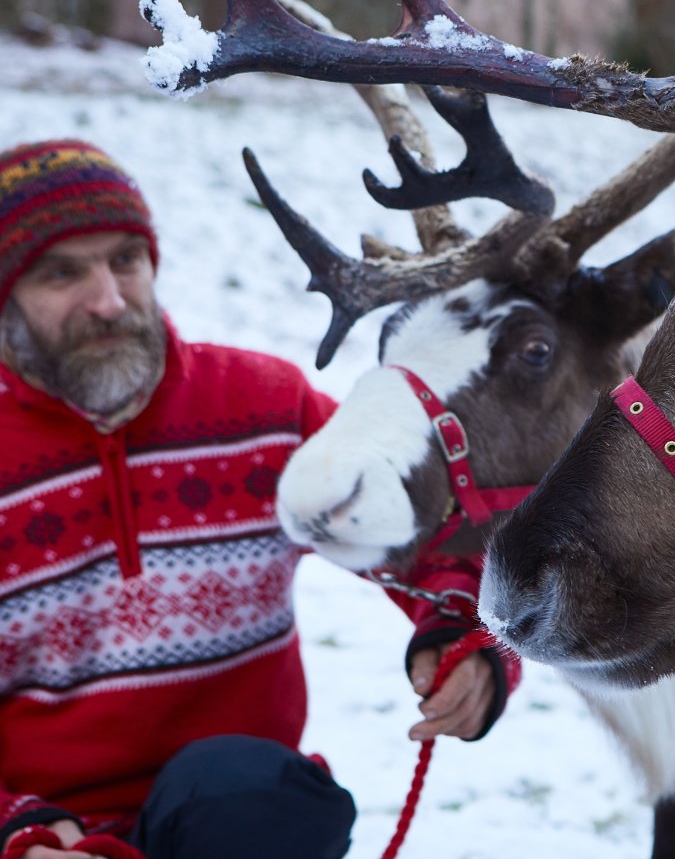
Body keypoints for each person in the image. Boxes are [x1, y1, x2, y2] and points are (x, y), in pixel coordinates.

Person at [0, 140, 518, 859]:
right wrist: (19, 832)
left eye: (126, 259)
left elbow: (427, 533)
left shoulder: (262, 410)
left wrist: (464, 639)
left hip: (229, 818)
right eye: (62, 273)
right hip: (41, 833)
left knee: (256, 795)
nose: (110, 300)